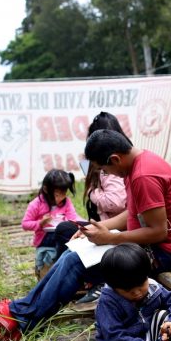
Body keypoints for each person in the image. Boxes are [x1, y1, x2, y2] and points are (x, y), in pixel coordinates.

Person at [0, 130, 171, 341]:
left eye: (105, 169)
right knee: (74, 250)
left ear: (115, 159)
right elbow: (131, 213)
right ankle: (16, 315)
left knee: (75, 262)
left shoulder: (142, 176)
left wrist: (110, 238)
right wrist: (95, 227)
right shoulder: (136, 165)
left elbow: (159, 231)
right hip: (144, 245)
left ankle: (17, 320)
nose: (108, 173)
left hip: (159, 253)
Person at [55, 112, 127, 303]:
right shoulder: (96, 163)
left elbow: (117, 201)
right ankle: (77, 280)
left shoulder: (113, 163)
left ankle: (98, 281)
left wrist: (92, 193)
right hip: (106, 222)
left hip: (115, 227)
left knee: (66, 235)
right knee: (65, 231)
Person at [21, 169, 81, 280]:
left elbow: (73, 217)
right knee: (49, 263)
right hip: (45, 239)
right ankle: (46, 272)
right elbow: (25, 224)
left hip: (62, 238)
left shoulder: (66, 202)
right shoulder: (36, 204)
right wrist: (40, 223)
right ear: (46, 189)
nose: (61, 198)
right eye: (57, 195)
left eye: (64, 194)